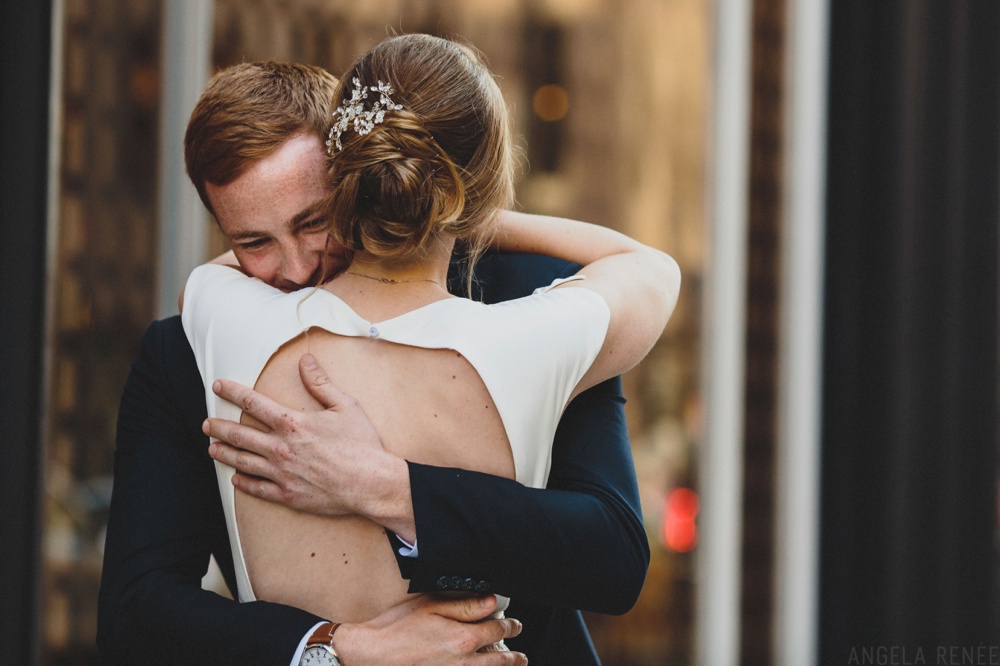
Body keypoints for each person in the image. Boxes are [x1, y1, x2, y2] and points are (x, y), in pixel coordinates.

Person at [95, 54, 662, 666]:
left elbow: (612, 556)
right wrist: (336, 652)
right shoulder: (187, 351)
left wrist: (388, 487)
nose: (295, 268)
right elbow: (137, 612)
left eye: (314, 221)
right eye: (251, 242)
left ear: (356, 179)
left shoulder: (531, 296)